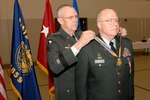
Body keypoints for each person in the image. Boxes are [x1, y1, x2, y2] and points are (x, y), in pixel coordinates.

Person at [46, 4, 128, 100]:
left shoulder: (81, 34)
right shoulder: (54, 39)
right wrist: (79, 44)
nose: (75, 19)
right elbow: (55, 66)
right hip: (70, 93)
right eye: (70, 17)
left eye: (76, 16)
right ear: (60, 20)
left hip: (86, 91)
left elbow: (102, 41)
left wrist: (116, 32)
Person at [75, 8, 134, 100]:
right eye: (109, 21)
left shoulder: (126, 43)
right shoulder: (87, 48)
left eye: (116, 20)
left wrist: (131, 96)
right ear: (99, 25)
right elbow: (81, 85)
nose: (115, 24)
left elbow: (130, 76)